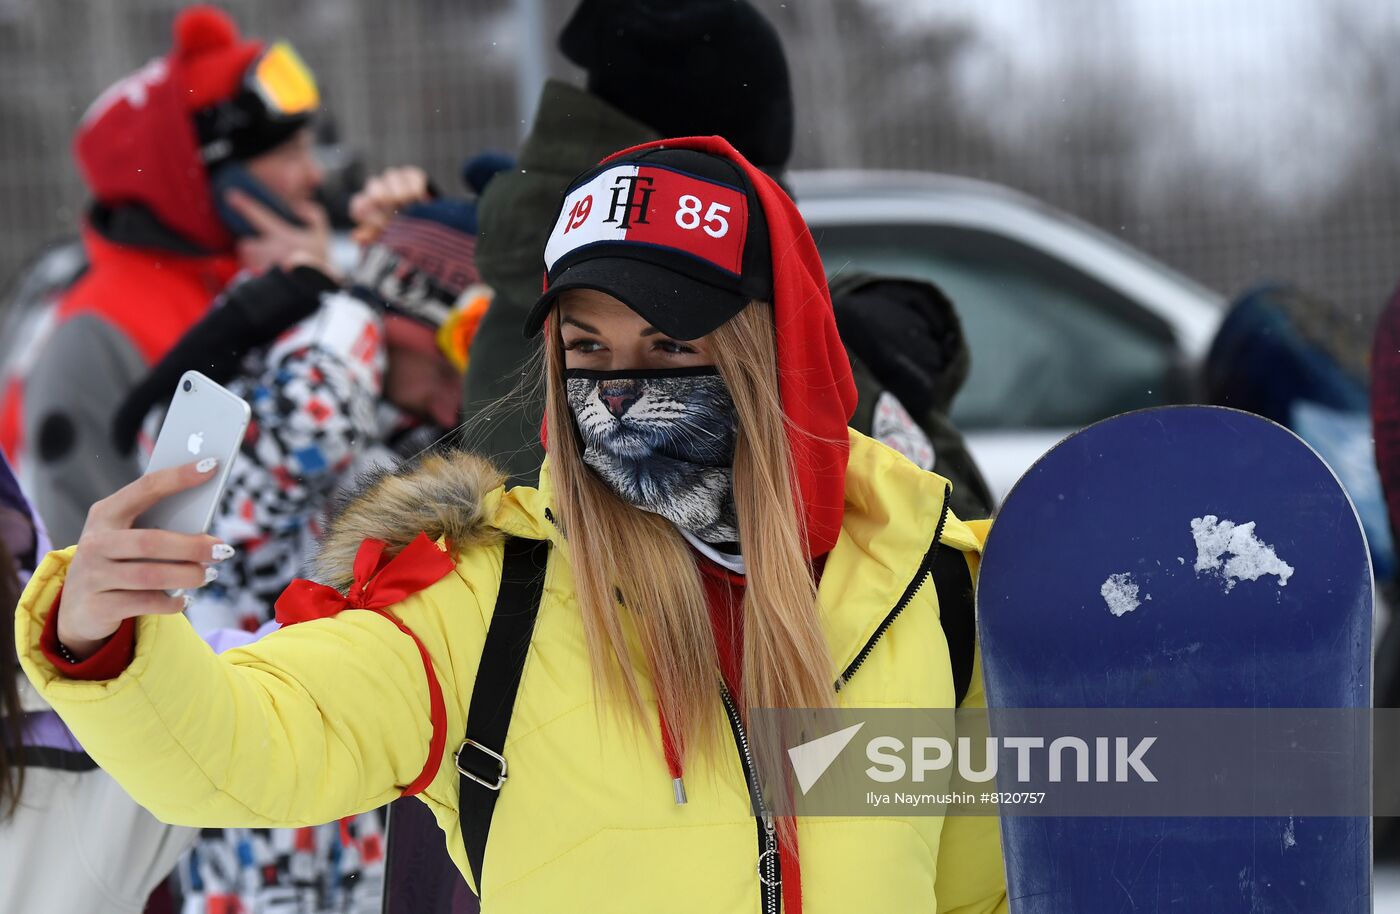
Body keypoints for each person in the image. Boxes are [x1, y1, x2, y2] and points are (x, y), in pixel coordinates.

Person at [16, 139, 1008, 913]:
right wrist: (107, 635)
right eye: (587, 345)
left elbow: (975, 884)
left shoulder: (925, 587)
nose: (618, 391)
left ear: (770, 346)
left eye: (669, 342)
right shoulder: (485, 600)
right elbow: (244, 750)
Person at [461, 0, 993, 521]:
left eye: (669, 343)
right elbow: (949, 540)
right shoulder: (722, 301)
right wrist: (854, 357)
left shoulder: (532, 289)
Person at [1, 5, 327, 546]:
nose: (314, 174)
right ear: (212, 175)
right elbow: (83, 577)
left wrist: (316, 299)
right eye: (289, 152)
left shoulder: (251, 281)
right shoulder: (97, 332)